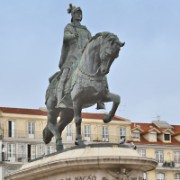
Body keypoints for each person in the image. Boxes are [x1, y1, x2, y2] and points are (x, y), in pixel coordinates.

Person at [56, 4, 105, 109]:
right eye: (76, 13)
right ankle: (59, 101)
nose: (78, 15)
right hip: (72, 58)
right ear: (72, 15)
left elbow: (91, 41)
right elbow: (65, 37)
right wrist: (72, 36)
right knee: (64, 77)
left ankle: (100, 99)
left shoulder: (86, 30)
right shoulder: (69, 27)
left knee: (100, 71)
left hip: (84, 58)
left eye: (80, 13)